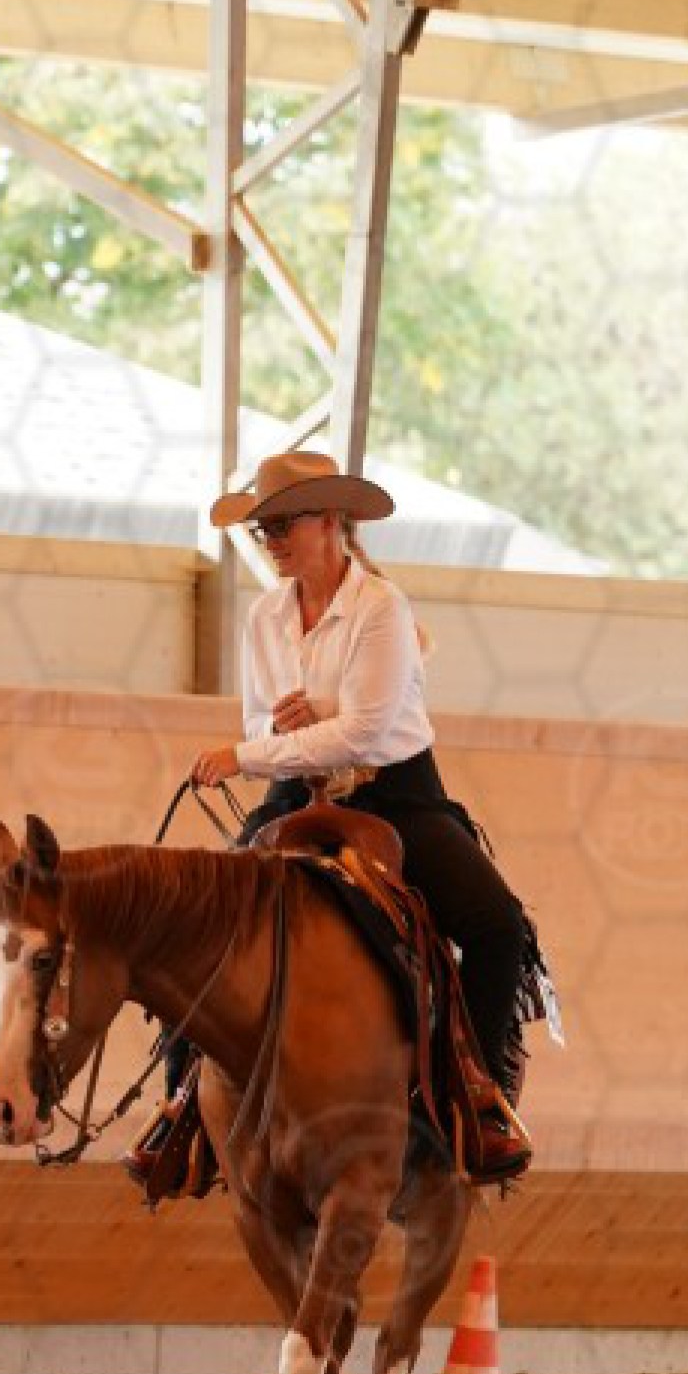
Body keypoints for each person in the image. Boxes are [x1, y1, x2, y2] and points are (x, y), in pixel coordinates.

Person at [152, 445, 535, 1184]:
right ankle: (181, 1108)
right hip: (295, 792)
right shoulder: (264, 616)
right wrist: (276, 734)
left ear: (330, 521)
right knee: (202, 922)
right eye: (263, 529)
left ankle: (479, 1096)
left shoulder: (381, 608)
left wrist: (251, 751)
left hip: (395, 795)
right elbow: (262, 720)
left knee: (498, 926)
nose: (270, 540)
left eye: (282, 524)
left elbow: (362, 733)